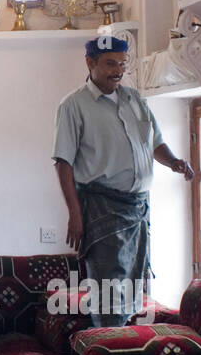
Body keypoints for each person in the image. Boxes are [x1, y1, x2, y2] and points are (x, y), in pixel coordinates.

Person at [52, 36, 193, 325]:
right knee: (108, 291)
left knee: (130, 290)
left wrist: (174, 162)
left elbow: (155, 144)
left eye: (122, 64)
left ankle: (124, 353)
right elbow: (63, 162)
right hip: (101, 209)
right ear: (90, 63)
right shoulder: (73, 105)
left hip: (138, 210)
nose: (117, 70)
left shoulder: (135, 99)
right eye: (109, 64)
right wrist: (75, 214)